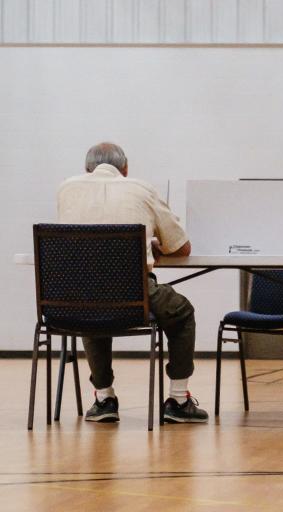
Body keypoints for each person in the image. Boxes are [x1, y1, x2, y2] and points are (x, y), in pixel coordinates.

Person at [57, 142, 208, 424]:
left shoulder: (66, 189)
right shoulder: (141, 188)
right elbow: (182, 248)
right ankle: (177, 400)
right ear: (125, 170)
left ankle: (104, 399)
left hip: (77, 297)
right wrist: (150, 245)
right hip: (134, 292)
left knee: (91, 307)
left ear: (86, 170)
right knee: (182, 312)